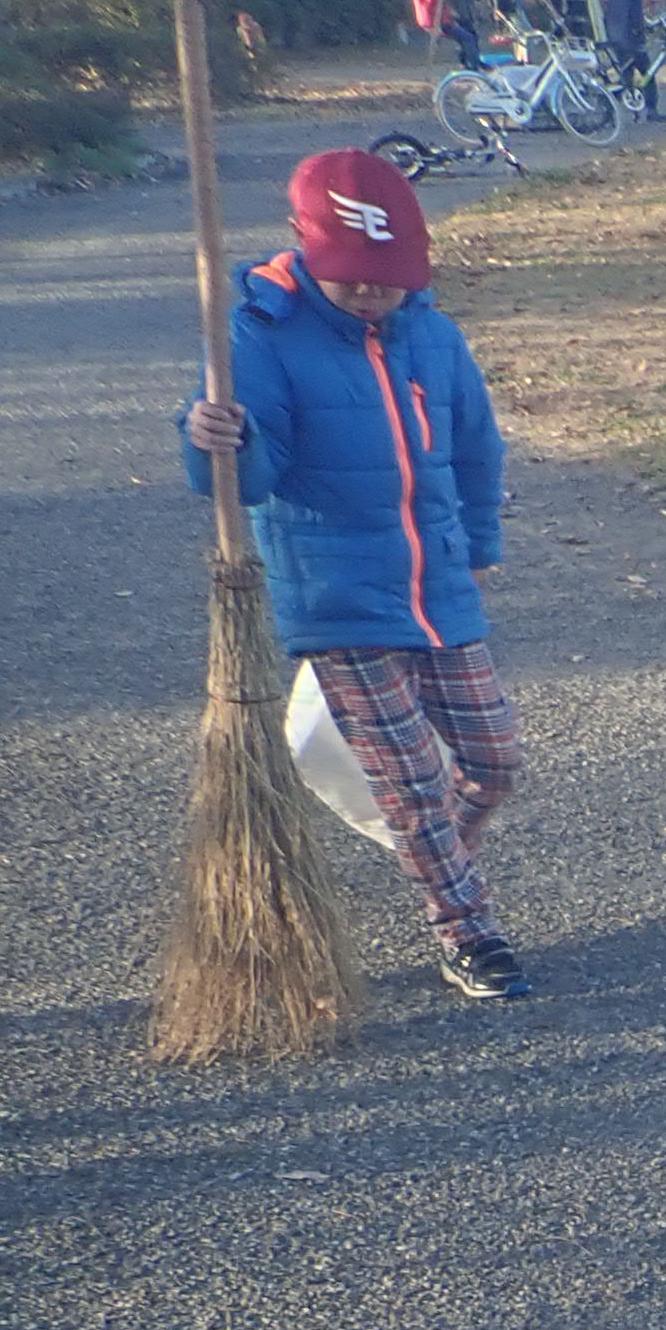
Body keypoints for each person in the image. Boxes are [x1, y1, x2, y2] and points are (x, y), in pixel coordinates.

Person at [179, 150, 528, 1002]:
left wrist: (477, 539)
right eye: (353, 280)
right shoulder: (259, 333)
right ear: (312, 254)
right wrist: (213, 438)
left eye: (389, 279)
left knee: (493, 760)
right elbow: (249, 480)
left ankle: (433, 854)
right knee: (408, 776)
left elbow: (476, 447)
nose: (373, 294)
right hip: (337, 591)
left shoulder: (435, 337)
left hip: (438, 584)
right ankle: (464, 927)